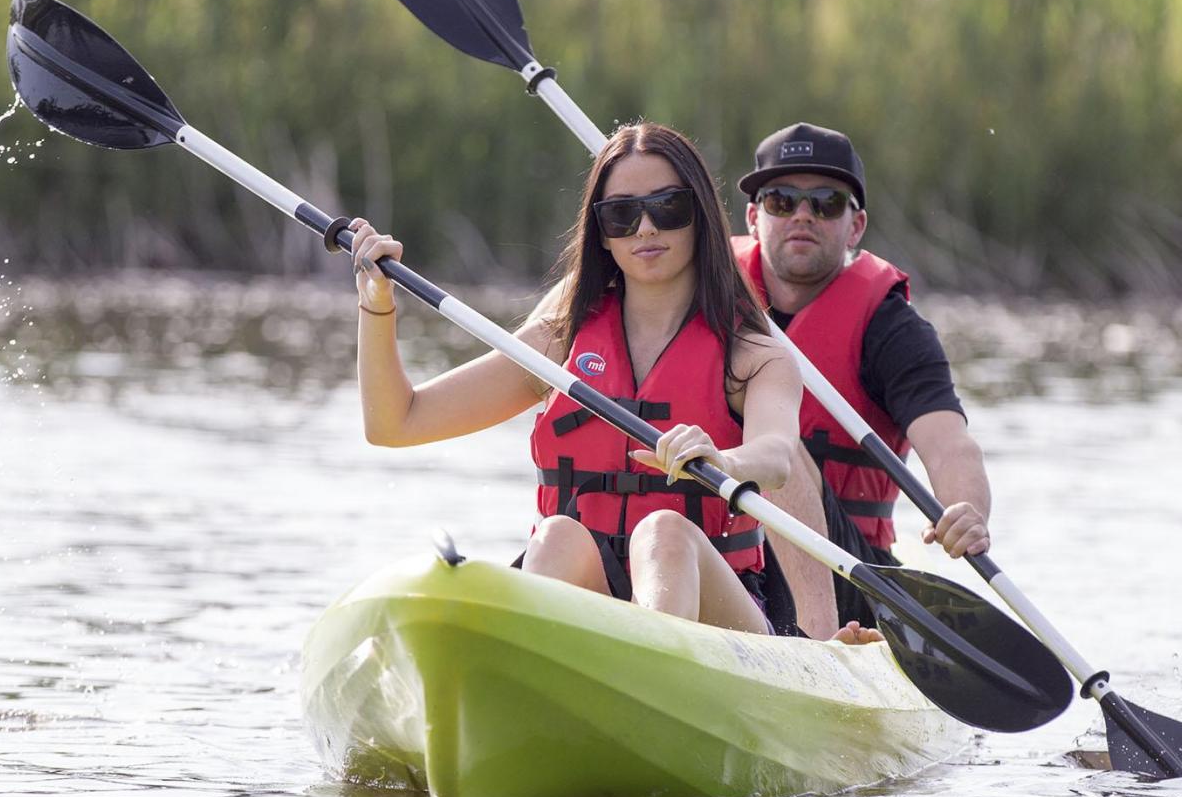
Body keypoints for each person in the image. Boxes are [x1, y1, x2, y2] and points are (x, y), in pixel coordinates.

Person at [347, 120, 879, 642]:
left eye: (667, 208)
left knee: (665, 533)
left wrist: (726, 460)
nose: (646, 229)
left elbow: (777, 456)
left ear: (700, 217)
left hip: (721, 615)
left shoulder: (755, 354)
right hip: (592, 602)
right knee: (556, 536)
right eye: (622, 214)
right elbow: (397, 423)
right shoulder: (560, 343)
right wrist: (377, 309)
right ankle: (534, 671)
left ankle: (653, 674)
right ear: (602, 234)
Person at [734, 121, 992, 630]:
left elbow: (949, 446)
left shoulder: (891, 328)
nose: (802, 216)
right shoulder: (708, 291)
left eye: (826, 203)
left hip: (849, 574)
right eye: (782, 201)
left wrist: (967, 509)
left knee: (776, 447)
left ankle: (821, 646)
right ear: (753, 216)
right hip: (723, 545)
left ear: (855, 226)